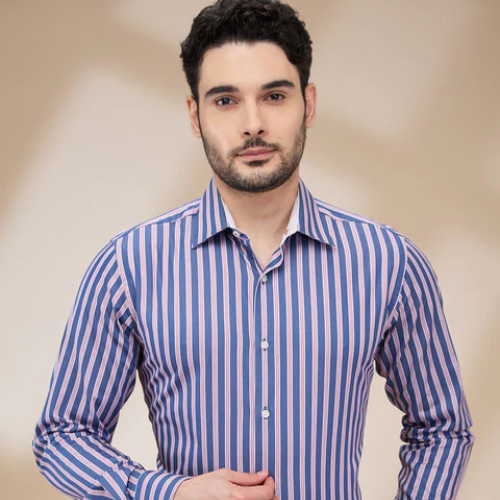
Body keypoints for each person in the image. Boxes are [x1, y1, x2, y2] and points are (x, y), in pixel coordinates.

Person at [33, 0, 474, 499]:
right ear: (195, 115)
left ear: (308, 104)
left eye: (274, 96)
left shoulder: (389, 263)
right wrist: (168, 493)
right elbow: (63, 436)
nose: (253, 124)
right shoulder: (129, 266)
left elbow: (442, 428)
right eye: (225, 100)